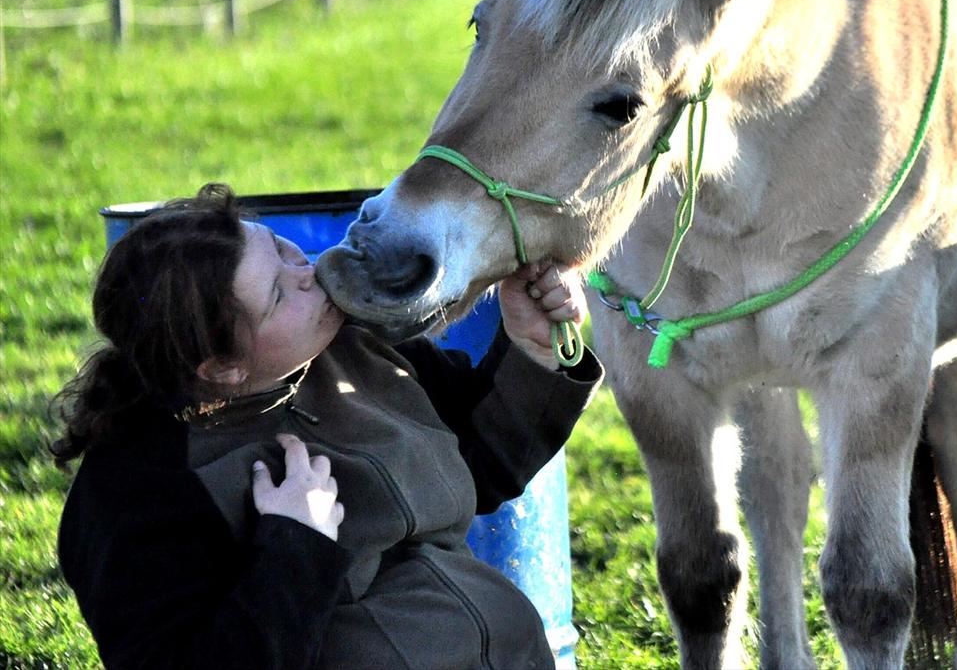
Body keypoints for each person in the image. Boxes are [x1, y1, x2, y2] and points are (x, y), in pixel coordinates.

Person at [52, 183, 602, 670]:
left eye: (284, 249)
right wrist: (297, 543)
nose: (308, 272)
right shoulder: (138, 496)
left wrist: (534, 352)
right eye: (278, 293)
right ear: (222, 368)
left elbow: (482, 465)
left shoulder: (355, 347)